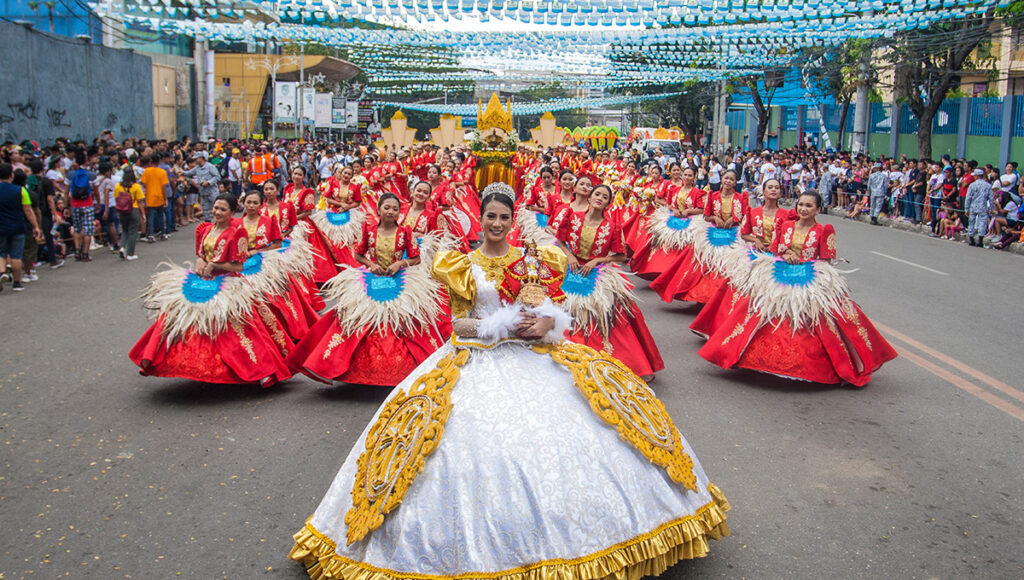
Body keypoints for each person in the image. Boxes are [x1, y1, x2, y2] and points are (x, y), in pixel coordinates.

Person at [288, 185, 730, 579]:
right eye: (490, 216)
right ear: (479, 219)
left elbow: (554, 308)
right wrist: (496, 326)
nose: (496, 224)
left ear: (512, 219)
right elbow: (457, 325)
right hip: (476, 359)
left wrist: (546, 323)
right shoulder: (458, 264)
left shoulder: (535, 261)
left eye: (504, 217)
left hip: (535, 357)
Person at [697, 191, 897, 386]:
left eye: (809, 206)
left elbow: (826, 260)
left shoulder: (824, 230)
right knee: (753, 307)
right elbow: (775, 249)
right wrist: (786, 254)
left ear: (818, 209)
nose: (803, 209)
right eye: (801, 204)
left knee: (821, 317)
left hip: (810, 279)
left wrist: (802, 260)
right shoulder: (786, 225)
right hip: (780, 274)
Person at [128, 193, 293, 385]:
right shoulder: (206, 229)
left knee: (238, 328)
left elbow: (239, 266)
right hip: (203, 281)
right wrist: (200, 262)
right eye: (216, 208)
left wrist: (216, 265)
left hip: (228, 284)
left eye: (223, 209)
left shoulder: (237, 233)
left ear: (232, 212)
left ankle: (261, 370)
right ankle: (153, 359)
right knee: (175, 314)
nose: (217, 212)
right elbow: (200, 254)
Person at [286, 193, 449, 386]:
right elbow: (359, 255)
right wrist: (371, 265)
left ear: (399, 212)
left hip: (400, 280)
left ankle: (403, 370)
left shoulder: (405, 231)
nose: (390, 211)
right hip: (370, 278)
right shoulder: (369, 229)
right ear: (379, 210)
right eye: (386, 207)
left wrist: (399, 264)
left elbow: (416, 258)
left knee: (404, 320)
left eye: (395, 209)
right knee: (351, 316)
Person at [554, 184, 664, 381]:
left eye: (605, 197)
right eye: (597, 194)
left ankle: (622, 360)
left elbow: (621, 257)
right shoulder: (572, 216)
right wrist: (570, 256)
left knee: (609, 312)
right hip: (571, 269)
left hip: (598, 274)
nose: (600, 198)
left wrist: (598, 260)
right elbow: (560, 240)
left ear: (608, 203)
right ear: (589, 197)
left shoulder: (612, 226)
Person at [649, 169, 748, 304]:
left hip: (734, 234)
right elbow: (706, 216)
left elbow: (746, 217)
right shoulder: (713, 196)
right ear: (722, 180)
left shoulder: (741, 198)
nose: (728, 181)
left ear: (736, 182)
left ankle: (721, 299)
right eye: (726, 178)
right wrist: (715, 218)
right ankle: (697, 295)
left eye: (731, 179)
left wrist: (734, 220)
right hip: (713, 231)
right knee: (698, 256)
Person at [0, 163, 42, 293]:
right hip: (18, 226)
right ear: (11, 175)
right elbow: (28, 211)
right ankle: (17, 283)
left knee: (1, 253)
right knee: (16, 255)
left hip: (1, 227)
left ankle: (2, 272)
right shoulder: (21, 191)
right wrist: (36, 226)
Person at [114, 165, 146, 261]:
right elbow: (140, 202)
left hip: (122, 210)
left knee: (124, 230)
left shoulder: (118, 186)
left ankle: (122, 246)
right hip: (134, 209)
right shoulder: (136, 186)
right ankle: (130, 253)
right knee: (133, 232)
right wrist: (143, 214)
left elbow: (116, 198)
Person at [139, 155, 170, 242]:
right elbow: (164, 186)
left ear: (151, 162)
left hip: (150, 196)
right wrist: (165, 198)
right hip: (159, 196)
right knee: (161, 215)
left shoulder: (147, 171)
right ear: (159, 161)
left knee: (151, 216)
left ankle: (151, 234)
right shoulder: (162, 172)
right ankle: (163, 233)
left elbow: (143, 183)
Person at [184, 153, 221, 223]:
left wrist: (208, 182)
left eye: (196, 159)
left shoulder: (210, 166)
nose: (195, 161)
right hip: (203, 192)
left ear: (201, 158)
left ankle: (220, 223)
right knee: (206, 210)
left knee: (217, 208)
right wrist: (181, 172)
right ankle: (207, 225)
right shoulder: (197, 168)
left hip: (212, 191)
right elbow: (189, 173)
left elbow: (217, 177)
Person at [963, 169, 992, 247]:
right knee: (982, 223)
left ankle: (971, 238)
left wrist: (966, 208)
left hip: (973, 206)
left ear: (977, 176)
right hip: (983, 206)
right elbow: (991, 198)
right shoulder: (988, 185)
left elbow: (968, 197)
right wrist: (991, 208)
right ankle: (980, 239)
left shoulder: (972, 185)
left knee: (971, 222)